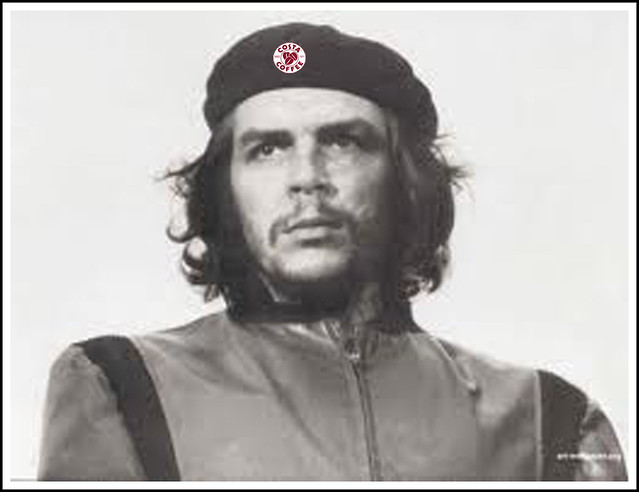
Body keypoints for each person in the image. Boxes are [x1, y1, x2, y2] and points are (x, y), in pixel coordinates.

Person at [37, 22, 627, 481]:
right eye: (268, 149)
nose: (306, 178)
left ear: (405, 180)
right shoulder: (122, 390)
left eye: (343, 141)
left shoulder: (550, 419)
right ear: (225, 189)